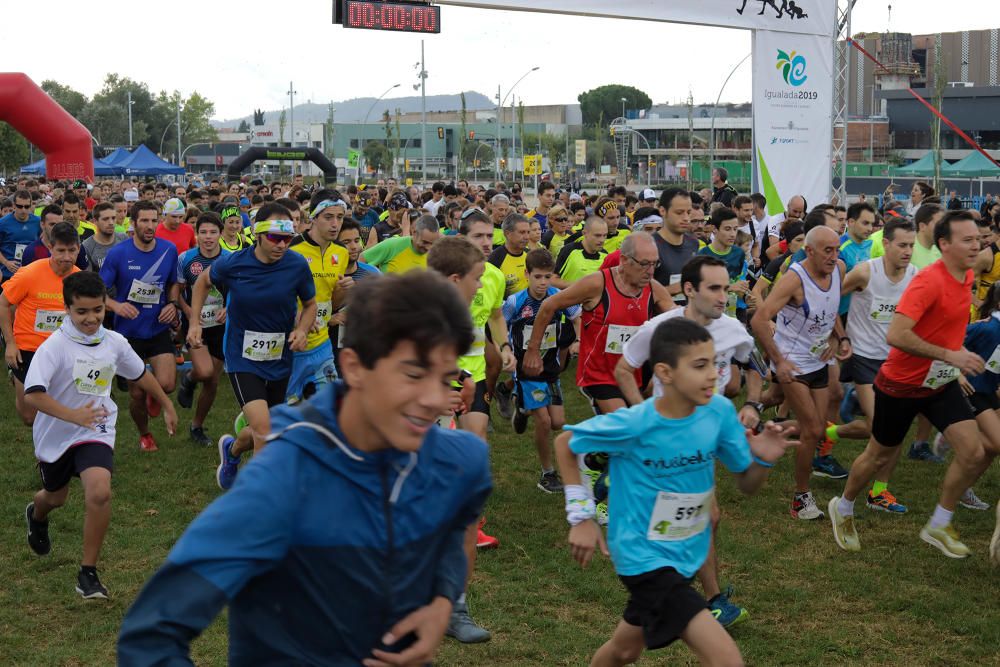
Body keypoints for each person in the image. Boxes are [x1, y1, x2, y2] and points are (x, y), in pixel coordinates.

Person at [118, 270, 490, 664]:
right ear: (354, 367)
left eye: (446, 378)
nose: (434, 400)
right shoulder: (286, 474)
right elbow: (152, 633)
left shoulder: (462, 459)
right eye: (414, 374)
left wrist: (441, 600)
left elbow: (457, 523)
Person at [554, 318, 796, 667]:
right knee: (727, 660)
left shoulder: (718, 413)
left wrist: (764, 460)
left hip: (686, 553)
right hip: (643, 557)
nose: (713, 374)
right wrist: (581, 516)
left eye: (714, 362)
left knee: (625, 649)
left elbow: (746, 482)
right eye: (700, 366)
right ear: (665, 373)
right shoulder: (637, 423)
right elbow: (566, 443)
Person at [829, 210, 1000, 558]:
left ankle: (939, 521)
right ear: (944, 244)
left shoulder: (966, 275)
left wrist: (958, 354)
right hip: (901, 384)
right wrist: (950, 356)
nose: (977, 245)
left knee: (974, 451)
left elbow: (949, 325)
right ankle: (843, 507)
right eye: (967, 240)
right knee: (878, 456)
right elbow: (897, 334)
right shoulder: (926, 282)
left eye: (978, 239)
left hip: (938, 382)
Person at [24, 271, 177, 599]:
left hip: (97, 428)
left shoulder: (114, 342)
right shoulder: (54, 347)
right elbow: (33, 395)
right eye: (82, 312)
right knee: (54, 497)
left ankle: (88, 573)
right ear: (67, 309)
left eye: (97, 310)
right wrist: (73, 414)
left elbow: (140, 373)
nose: (91, 318)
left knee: (100, 492)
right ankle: (36, 515)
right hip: (56, 433)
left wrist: (165, 403)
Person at [187, 204, 316, 489]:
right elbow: (202, 282)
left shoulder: (296, 265)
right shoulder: (233, 264)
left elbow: (309, 305)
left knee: (267, 428)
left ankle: (232, 451)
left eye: (287, 238)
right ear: (257, 234)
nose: (282, 245)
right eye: (274, 238)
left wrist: (302, 329)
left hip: (280, 357)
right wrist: (195, 322)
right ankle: (259, 499)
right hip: (241, 356)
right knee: (266, 430)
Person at [752, 226, 852, 520]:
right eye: (827, 251)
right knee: (810, 430)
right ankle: (800, 498)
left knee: (818, 428)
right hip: (792, 362)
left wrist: (839, 338)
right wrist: (778, 361)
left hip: (819, 361)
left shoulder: (840, 270)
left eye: (837, 250)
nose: (834, 257)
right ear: (809, 251)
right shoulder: (794, 279)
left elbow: (830, 309)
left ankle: (755, 430)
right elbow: (759, 320)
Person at [527, 233, 673, 415]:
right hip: (598, 375)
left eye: (655, 263)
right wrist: (533, 350)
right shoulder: (597, 284)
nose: (651, 271)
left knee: (628, 433)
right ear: (624, 260)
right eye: (644, 264)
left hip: (633, 373)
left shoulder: (653, 289)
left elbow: (677, 321)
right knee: (626, 424)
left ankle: (580, 442)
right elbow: (549, 305)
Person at [838, 218, 918, 513]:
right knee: (881, 426)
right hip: (863, 357)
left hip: (896, 360)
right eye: (902, 245)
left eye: (911, 245)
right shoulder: (864, 272)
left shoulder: (916, 277)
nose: (908, 251)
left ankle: (879, 491)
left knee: (893, 428)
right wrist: (840, 334)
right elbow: (832, 299)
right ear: (885, 244)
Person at [99, 201, 180, 453]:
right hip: (128, 335)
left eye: (154, 220)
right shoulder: (118, 253)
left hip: (156, 328)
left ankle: (154, 393)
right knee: (135, 396)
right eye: (144, 221)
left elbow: (173, 283)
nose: (150, 226)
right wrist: (116, 305)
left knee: (167, 384)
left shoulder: (169, 249)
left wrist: (173, 304)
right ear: (132, 224)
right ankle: (145, 434)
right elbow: (97, 291)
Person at [502, 248, 581, 492]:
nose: (542, 283)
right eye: (537, 277)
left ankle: (521, 407)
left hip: (551, 368)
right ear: (527, 274)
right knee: (545, 422)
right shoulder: (516, 301)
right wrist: (506, 353)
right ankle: (547, 474)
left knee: (558, 421)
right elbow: (498, 324)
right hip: (526, 370)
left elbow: (577, 316)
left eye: (547, 277)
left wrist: (578, 339)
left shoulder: (558, 297)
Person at [1, 222, 82, 426]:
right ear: (50, 248)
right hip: (28, 349)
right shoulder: (30, 273)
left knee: (57, 411)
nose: (66, 257)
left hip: (63, 350)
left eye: (71, 250)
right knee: (29, 417)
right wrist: (10, 343)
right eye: (60, 251)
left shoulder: (80, 278)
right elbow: (3, 302)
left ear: (78, 249)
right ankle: (15, 375)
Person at [286, 193, 350, 404]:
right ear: (313, 217)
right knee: (286, 411)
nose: (335, 224)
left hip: (322, 344)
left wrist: (343, 289)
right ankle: (246, 432)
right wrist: (300, 319)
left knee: (332, 406)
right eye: (328, 217)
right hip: (291, 343)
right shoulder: (291, 248)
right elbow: (276, 293)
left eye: (340, 217)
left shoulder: (341, 252)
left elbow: (334, 301)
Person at [176, 213, 229, 446]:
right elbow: (176, 290)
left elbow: (239, 289)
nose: (208, 237)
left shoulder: (230, 259)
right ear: (197, 234)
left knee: (213, 381)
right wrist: (188, 311)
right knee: (205, 372)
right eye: (203, 232)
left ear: (221, 233)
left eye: (213, 232)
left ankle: (197, 425)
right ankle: (189, 378)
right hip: (195, 323)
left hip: (220, 325)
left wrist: (230, 307)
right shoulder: (185, 258)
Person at [652, 188, 700, 304]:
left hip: (688, 318)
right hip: (660, 319)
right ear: (663, 211)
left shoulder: (694, 243)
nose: (686, 218)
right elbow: (638, 295)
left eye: (688, 212)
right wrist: (672, 289)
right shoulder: (650, 246)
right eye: (679, 213)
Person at [361, 215, 441, 274]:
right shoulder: (393, 245)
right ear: (414, 233)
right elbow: (361, 260)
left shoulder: (435, 255)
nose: (428, 248)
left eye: (432, 243)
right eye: (425, 242)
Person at [554, 216, 609, 287]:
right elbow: (553, 280)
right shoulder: (569, 250)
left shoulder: (605, 255)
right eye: (597, 235)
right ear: (584, 233)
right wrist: (578, 287)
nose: (602, 240)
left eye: (605, 235)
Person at [0, 188, 41, 282]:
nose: (23, 210)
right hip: (8, 274)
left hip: (31, 273)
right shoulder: (2, 223)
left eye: (27, 207)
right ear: (14, 206)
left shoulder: (38, 221)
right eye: (20, 206)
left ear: (31, 206)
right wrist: (6, 263)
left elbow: (43, 243)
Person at [488, 213, 531, 298]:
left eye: (528, 232)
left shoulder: (531, 255)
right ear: (507, 233)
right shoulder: (495, 259)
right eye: (522, 232)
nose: (526, 237)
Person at [82, 202, 128, 272]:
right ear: (95, 221)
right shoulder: (87, 246)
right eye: (105, 219)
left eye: (113, 218)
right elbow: (89, 279)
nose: (111, 222)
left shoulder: (124, 238)